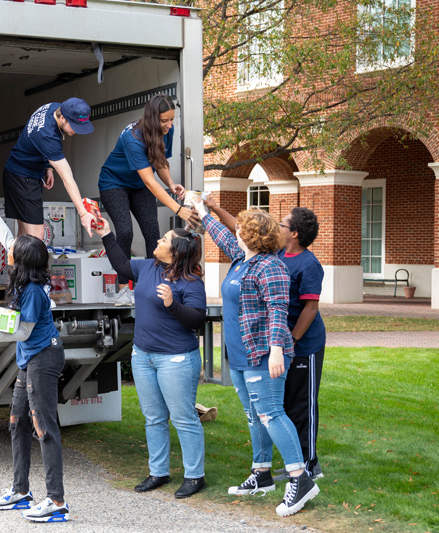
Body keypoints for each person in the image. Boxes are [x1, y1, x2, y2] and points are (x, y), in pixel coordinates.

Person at [191, 199, 320, 517]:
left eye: (241, 228)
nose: (235, 231)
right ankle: (261, 474)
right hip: (239, 355)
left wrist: (277, 349)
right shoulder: (241, 259)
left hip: (264, 354)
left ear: (250, 235)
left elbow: (279, 309)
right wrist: (201, 209)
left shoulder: (270, 266)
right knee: (254, 415)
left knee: (271, 414)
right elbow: (220, 233)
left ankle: (300, 478)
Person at [0, 185, 70, 523]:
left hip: (43, 357)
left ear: (22, 261)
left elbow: (23, 332)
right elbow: (5, 237)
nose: (8, 250)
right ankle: (20, 491)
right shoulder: (26, 276)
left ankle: (56, 501)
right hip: (30, 358)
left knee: (44, 427)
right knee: (17, 424)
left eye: (14, 250)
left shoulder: (32, 292)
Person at [94, 218, 207, 498]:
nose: (157, 241)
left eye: (164, 240)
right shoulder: (148, 267)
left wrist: (172, 304)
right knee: (154, 418)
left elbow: (197, 320)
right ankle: (158, 472)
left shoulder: (190, 282)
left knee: (183, 418)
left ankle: (195, 476)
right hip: (144, 357)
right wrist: (106, 233)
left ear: (177, 252)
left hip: (176, 360)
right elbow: (121, 265)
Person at [98, 94, 200, 305]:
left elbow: (160, 162)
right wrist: (178, 209)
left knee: (153, 232)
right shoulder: (132, 137)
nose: (169, 125)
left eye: (172, 119)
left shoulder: (165, 132)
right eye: (165, 121)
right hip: (113, 183)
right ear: (153, 119)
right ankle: (123, 289)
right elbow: (150, 182)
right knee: (125, 231)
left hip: (138, 185)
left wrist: (171, 184)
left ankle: (153, 284)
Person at [2, 97, 97, 240]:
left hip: (20, 172)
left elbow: (37, 144)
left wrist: (48, 167)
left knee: (24, 237)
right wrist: (83, 214)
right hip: (22, 178)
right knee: (36, 236)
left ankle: (14, 262)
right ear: (63, 118)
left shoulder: (55, 107)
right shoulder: (47, 137)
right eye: (75, 126)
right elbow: (67, 178)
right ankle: (19, 262)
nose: (77, 131)